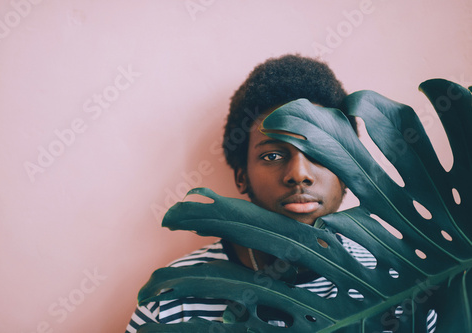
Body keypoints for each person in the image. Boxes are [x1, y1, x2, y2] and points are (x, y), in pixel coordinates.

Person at [125, 54, 436, 332]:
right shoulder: (173, 301)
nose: (299, 174)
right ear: (241, 176)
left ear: (347, 173)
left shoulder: (403, 287)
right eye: (272, 155)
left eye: (319, 153)